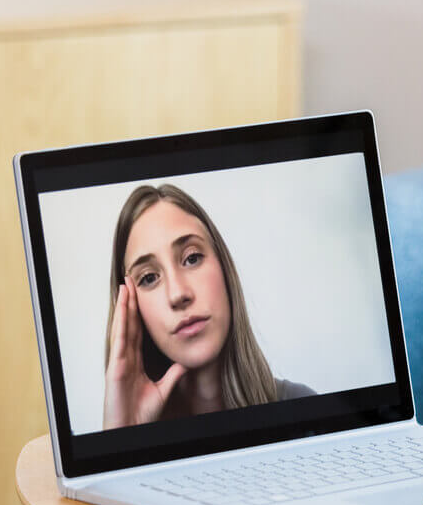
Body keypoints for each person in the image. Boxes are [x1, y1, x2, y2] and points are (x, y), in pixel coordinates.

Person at [102, 183, 315, 429]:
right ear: (130, 307)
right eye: (149, 278)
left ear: (224, 268)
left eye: (192, 258)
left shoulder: (302, 408)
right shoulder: (128, 432)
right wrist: (122, 435)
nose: (178, 294)